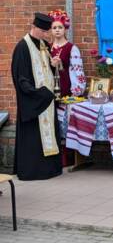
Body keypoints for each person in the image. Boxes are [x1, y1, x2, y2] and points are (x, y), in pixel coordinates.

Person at [11, 12, 62, 180]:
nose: (46, 34)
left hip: (45, 100)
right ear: (33, 27)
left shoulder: (43, 45)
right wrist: (37, 94)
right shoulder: (22, 47)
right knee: (33, 138)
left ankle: (50, 169)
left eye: (47, 31)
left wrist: (54, 64)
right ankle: (33, 171)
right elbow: (21, 78)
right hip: (34, 100)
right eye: (43, 31)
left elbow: (47, 69)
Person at [48, 9, 86, 97]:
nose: (57, 30)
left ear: (65, 29)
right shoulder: (47, 47)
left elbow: (78, 72)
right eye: (54, 28)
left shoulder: (71, 48)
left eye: (60, 27)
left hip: (66, 88)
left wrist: (76, 92)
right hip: (49, 90)